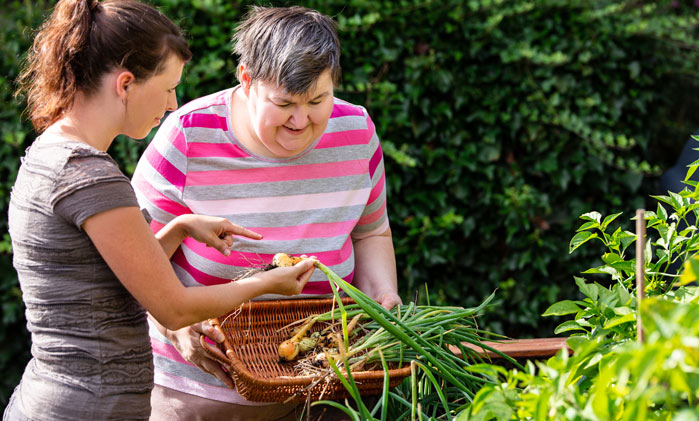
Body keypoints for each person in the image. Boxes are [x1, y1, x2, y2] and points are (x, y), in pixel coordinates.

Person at [3, 1, 316, 420]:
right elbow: (173, 307)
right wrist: (267, 284)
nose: (172, 104)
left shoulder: (49, 154)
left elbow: (109, 274)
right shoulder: (91, 176)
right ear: (126, 83)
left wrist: (182, 226)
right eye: (168, 87)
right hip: (87, 406)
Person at [130, 5, 401, 420]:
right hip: (203, 393)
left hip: (326, 387)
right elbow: (132, 261)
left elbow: (370, 233)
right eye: (285, 103)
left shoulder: (356, 131)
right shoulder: (189, 135)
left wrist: (384, 296)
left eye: (317, 100)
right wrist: (174, 323)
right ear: (246, 79)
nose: (301, 120)